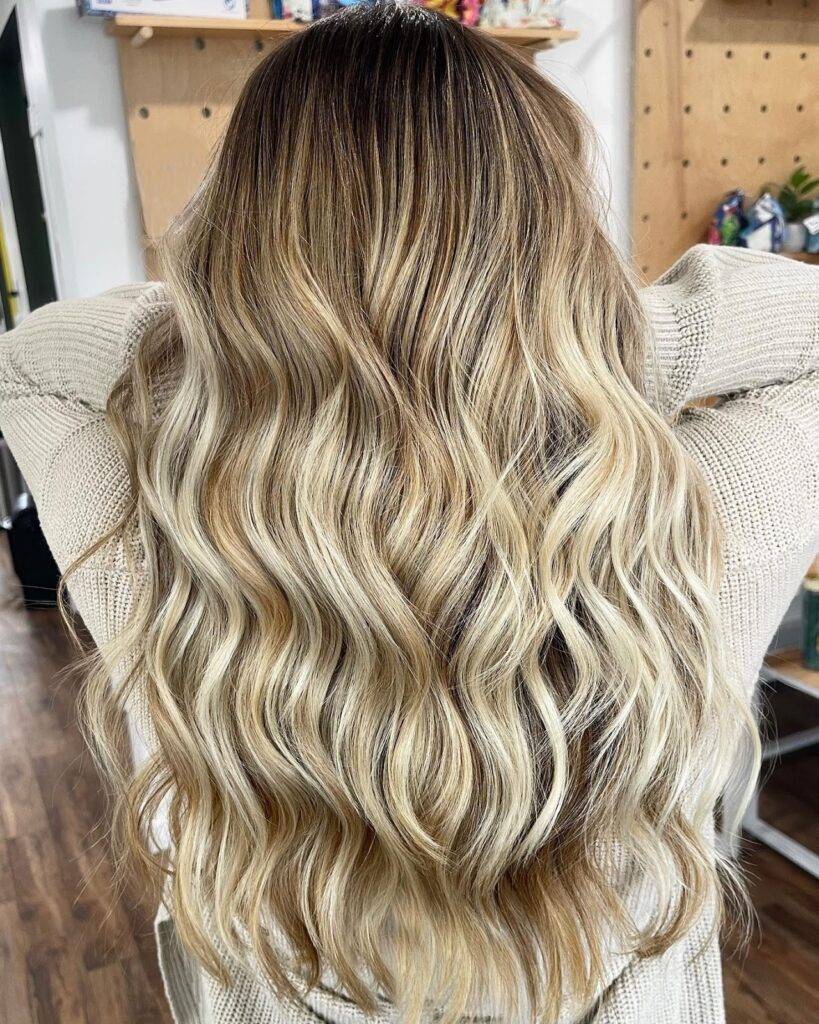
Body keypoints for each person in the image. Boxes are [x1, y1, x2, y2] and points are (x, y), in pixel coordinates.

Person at [1, 4, 816, 1023]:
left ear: (238, 250)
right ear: (556, 246)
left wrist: (252, 350)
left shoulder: (167, 540)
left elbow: (29, 362)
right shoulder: (689, 521)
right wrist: (570, 344)